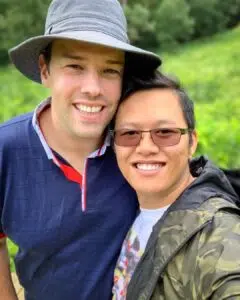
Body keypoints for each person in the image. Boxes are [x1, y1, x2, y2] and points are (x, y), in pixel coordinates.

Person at [0, 0, 161, 300]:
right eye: (75, 66)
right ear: (45, 69)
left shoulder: (138, 147)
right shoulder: (5, 152)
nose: (93, 88)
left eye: (110, 71)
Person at [112, 72, 240, 299]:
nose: (146, 148)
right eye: (129, 133)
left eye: (164, 133)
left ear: (192, 142)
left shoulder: (219, 236)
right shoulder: (121, 207)